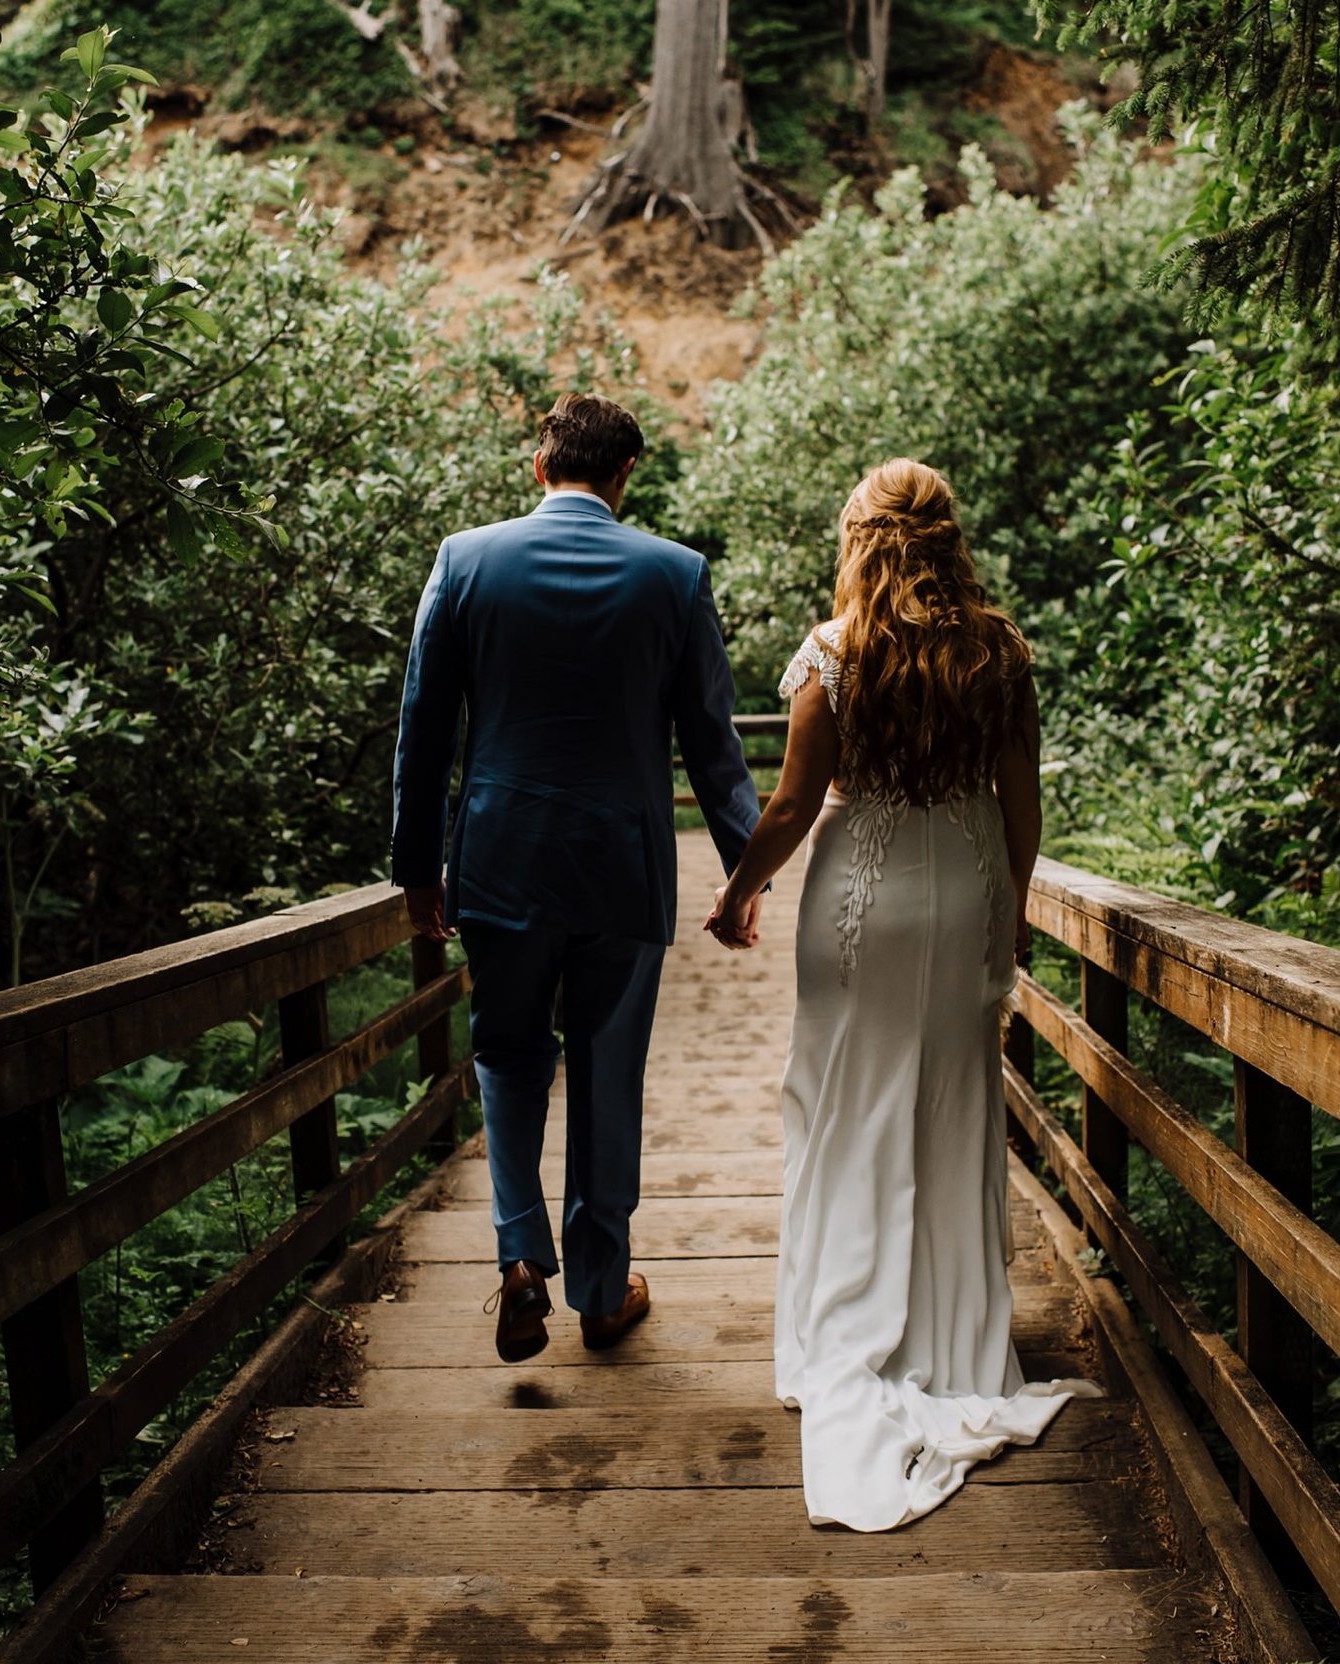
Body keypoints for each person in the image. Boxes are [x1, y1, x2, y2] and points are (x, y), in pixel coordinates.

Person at [705, 458, 1099, 1531]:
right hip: (965, 879)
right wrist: (1008, 911)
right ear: (945, 539)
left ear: (859, 539)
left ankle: (844, 1328)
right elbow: (1022, 807)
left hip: (860, 899)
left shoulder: (834, 652)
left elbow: (790, 804)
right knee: (953, 1100)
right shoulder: (1000, 650)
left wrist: (740, 888)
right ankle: (956, 1337)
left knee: (845, 1101)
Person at [391, 392, 764, 1362]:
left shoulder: (464, 560)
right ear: (625, 474)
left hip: (500, 861)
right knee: (607, 1072)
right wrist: (745, 872)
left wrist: (414, 867)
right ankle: (602, 1291)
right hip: (622, 866)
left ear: (538, 463)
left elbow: (424, 729)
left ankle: (519, 1256)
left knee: (507, 1055)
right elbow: (713, 747)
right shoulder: (674, 574)